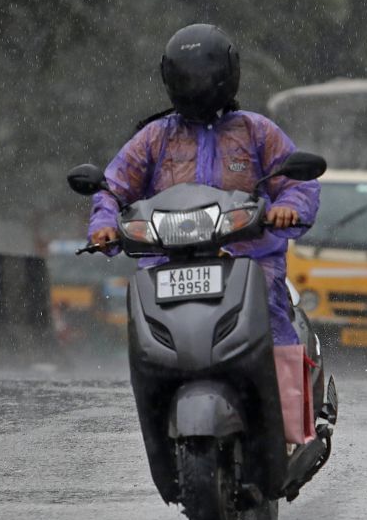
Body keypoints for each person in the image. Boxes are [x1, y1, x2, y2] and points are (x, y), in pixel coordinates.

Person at [87, 23, 320, 346]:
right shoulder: (155, 136)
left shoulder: (256, 131)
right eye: (187, 78)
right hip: (166, 262)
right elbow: (113, 187)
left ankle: (286, 392)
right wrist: (104, 225)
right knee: (147, 329)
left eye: (203, 76)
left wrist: (287, 208)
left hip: (248, 261)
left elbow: (297, 182)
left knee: (268, 313)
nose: (196, 85)